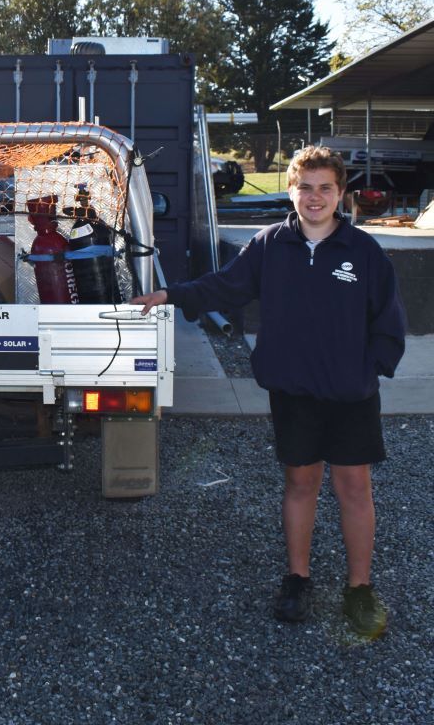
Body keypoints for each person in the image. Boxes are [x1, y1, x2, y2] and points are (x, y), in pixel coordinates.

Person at [132, 146, 406, 639]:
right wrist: (171, 295)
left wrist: (368, 370)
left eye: (325, 187)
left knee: (354, 489)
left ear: (340, 193)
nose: (315, 197)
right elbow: (223, 287)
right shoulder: (268, 245)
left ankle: (359, 589)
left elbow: (388, 321)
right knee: (301, 485)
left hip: (350, 396)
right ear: (291, 190)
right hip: (294, 392)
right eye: (305, 187)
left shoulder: (364, 252)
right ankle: (297, 579)